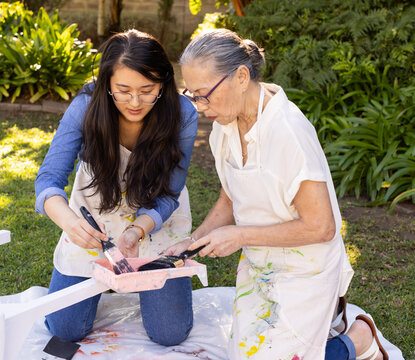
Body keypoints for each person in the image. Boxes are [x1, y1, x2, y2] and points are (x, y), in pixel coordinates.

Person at [165, 28, 388, 360]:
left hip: (306, 266)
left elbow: (322, 228)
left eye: (204, 94)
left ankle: (359, 338)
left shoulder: (288, 132)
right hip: (260, 261)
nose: (199, 106)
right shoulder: (224, 126)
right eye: (192, 94)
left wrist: (239, 235)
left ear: (241, 76)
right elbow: (231, 195)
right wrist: (193, 241)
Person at [34, 29, 198, 346]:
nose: (135, 102)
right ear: (106, 82)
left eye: (147, 90)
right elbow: (48, 179)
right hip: (94, 211)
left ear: (164, 82)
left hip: (156, 217)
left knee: (170, 333)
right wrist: (71, 223)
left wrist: (138, 229)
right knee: (64, 330)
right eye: (122, 90)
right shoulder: (85, 107)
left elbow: (170, 193)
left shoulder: (183, 113)